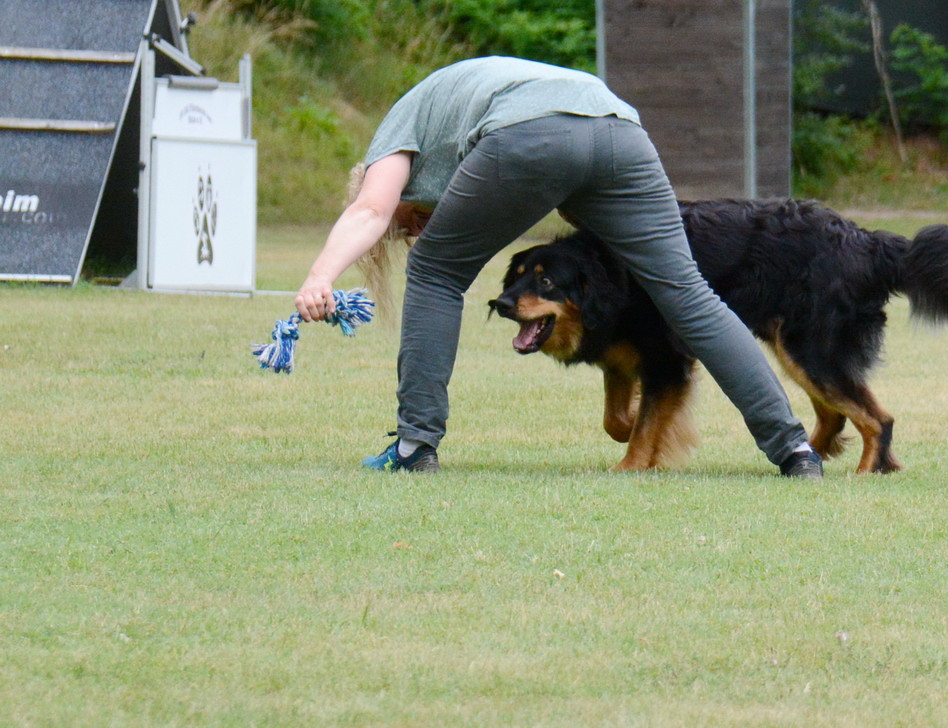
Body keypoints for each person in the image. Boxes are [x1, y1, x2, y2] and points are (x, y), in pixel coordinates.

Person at [295, 56, 823, 476]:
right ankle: (794, 450)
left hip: (531, 133)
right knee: (686, 291)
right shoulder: (463, 101)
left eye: (406, 223)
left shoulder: (395, 132)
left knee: (435, 271)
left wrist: (321, 276)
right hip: (619, 128)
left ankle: (414, 447)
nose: (412, 233)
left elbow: (369, 208)